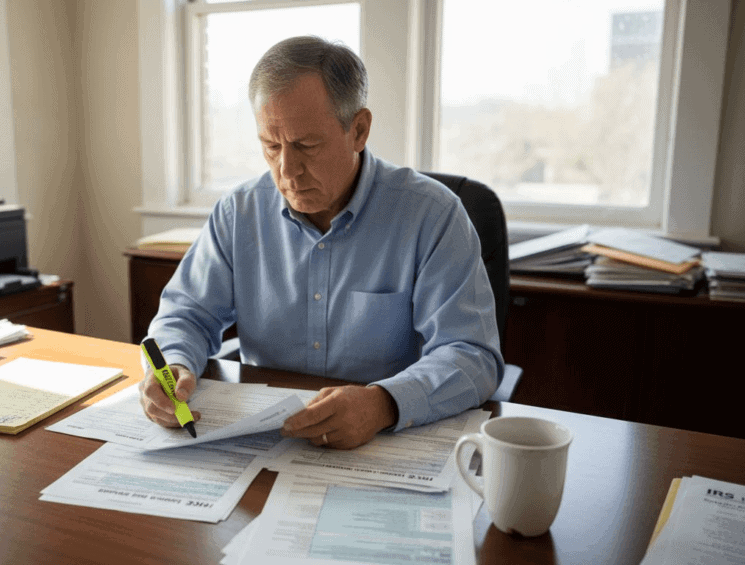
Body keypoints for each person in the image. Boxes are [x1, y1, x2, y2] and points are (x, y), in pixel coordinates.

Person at [140, 36, 503, 449]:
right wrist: (172, 365)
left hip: (383, 442)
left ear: (359, 130)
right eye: (271, 146)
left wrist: (383, 403)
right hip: (266, 440)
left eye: (306, 145)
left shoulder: (432, 214)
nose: (287, 170)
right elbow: (184, 314)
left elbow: (472, 355)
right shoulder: (237, 213)